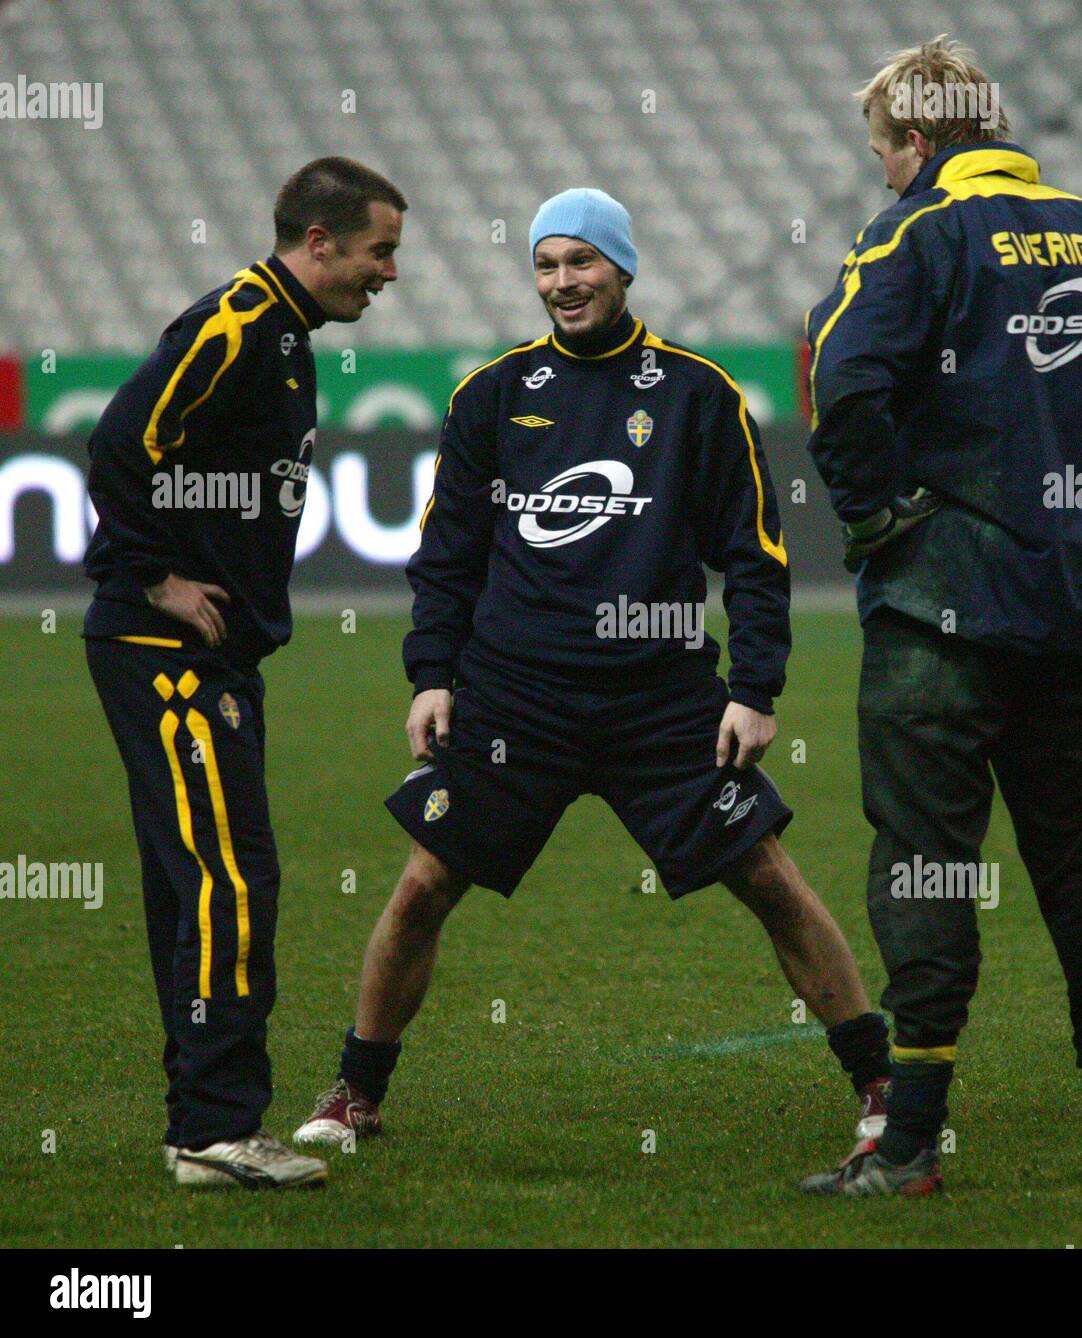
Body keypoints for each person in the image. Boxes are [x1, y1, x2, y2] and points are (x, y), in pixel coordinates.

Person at [294, 189, 892, 1168]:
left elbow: (754, 555)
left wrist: (756, 688)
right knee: (420, 888)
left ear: (621, 267)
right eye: (547, 264)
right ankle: (356, 1091)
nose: (563, 281)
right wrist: (431, 675)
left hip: (661, 698)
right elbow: (445, 556)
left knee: (768, 875)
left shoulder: (696, 394)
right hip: (512, 696)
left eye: (582, 262)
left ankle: (876, 1082)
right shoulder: (489, 395)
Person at [798, 37, 1082, 1196]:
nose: (882, 173)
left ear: (917, 140)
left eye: (883, 150)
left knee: (928, 870)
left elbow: (842, 386)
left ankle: (909, 1148)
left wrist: (881, 519)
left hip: (938, 614)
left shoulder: (911, 233)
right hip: (1072, 610)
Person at [84, 157, 406, 1188]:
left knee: (193, 883)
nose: (388, 272)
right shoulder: (233, 324)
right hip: (170, 656)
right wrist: (152, 580)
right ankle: (218, 1130)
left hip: (209, 656)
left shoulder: (282, 335)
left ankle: (200, 1116)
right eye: (377, 250)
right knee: (229, 878)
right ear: (319, 242)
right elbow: (118, 442)